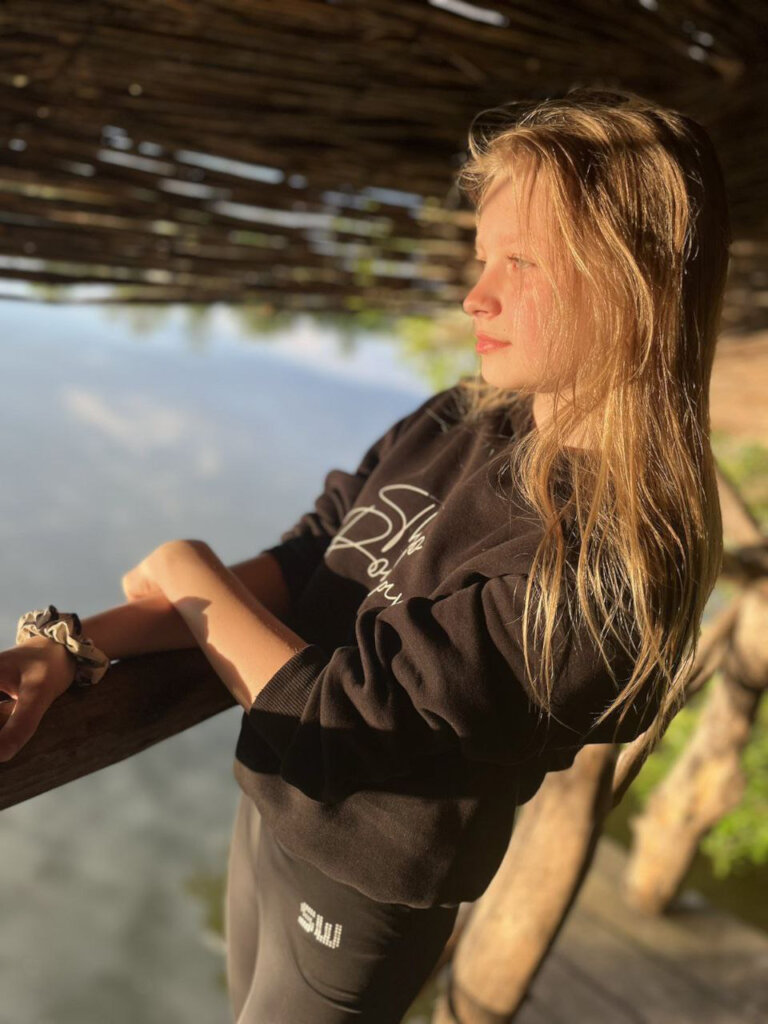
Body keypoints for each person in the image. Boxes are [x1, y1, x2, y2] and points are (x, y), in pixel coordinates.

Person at [0, 86, 731, 1024]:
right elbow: (315, 562)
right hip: (273, 798)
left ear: (636, 283)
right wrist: (67, 650)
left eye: (522, 262)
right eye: (482, 257)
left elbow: (356, 715)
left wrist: (187, 571)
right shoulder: (461, 417)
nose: (475, 295)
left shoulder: (613, 569)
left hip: (362, 889)